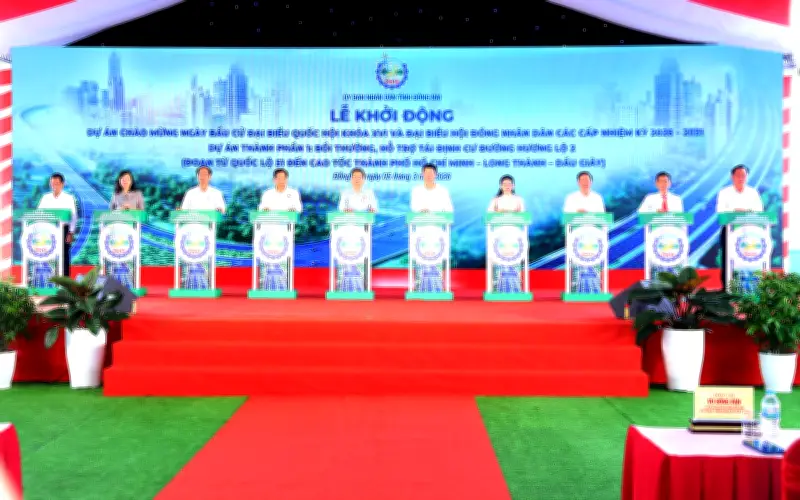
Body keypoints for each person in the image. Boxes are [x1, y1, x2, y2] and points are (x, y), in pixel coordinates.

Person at [715, 164, 764, 290]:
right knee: (728, 258)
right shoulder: (724, 192)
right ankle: (727, 287)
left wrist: (747, 211)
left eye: (744, 175)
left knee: (749, 256)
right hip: (730, 230)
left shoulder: (753, 192)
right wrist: (735, 210)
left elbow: (759, 210)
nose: (741, 178)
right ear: (732, 177)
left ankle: (750, 286)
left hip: (750, 232)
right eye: (738, 175)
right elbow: (720, 211)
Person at [179, 166, 226, 289]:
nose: (202, 177)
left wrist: (219, 209)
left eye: (205, 174)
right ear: (197, 176)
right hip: (191, 232)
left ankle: (206, 285)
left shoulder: (216, 193)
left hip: (207, 231)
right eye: (200, 174)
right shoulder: (190, 192)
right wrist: (180, 211)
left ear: (210, 177)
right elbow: (183, 211)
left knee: (205, 257)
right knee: (191, 256)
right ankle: (188, 284)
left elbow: (222, 209)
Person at [409, 163, 453, 293]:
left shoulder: (442, 190)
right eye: (426, 173)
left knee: (436, 256)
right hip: (421, 229)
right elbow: (414, 207)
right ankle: (419, 287)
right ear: (422, 174)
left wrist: (437, 214)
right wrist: (421, 210)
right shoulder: (417, 190)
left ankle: (438, 287)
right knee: (421, 255)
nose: (428, 175)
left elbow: (449, 209)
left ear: (436, 174)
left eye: (431, 173)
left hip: (437, 230)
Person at [257, 168, 301, 291]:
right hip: (268, 232)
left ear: (287, 179)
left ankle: (284, 286)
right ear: (274, 179)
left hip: (285, 231)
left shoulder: (293, 193)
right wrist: (264, 209)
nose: (281, 180)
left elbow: (298, 208)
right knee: (268, 256)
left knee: (283, 257)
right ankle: (265, 286)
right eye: (279, 178)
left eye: (283, 178)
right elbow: (261, 208)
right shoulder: (267, 194)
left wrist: (293, 210)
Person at [563, 171, 605, 294]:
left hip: (594, 236)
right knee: (578, 261)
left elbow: (602, 216)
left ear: (591, 182)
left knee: (593, 260)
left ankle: (595, 290)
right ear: (578, 182)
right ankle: (576, 290)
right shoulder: (571, 198)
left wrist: (589, 213)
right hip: (577, 236)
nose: (585, 182)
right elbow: (566, 215)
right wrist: (577, 212)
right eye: (582, 180)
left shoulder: (597, 197)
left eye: (587, 180)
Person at [487, 175, 525, 293]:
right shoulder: (495, 200)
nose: (507, 186)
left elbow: (523, 215)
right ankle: (498, 289)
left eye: (509, 184)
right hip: (499, 237)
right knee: (499, 259)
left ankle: (516, 289)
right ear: (500, 186)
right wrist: (499, 212)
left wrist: (512, 213)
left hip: (515, 236)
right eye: (505, 184)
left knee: (514, 258)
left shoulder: (518, 199)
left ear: (513, 186)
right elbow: (489, 215)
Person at [108, 170, 145, 289]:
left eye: (127, 179)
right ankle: (116, 283)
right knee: (118, 255)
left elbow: (142, 211)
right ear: (119, 181)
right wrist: (120, 210)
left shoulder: (138, 194)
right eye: (123, 179)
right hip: (117, 231)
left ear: (131, 181)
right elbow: (110, 213)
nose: (125, 181)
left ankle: (131, 283)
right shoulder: (115, 195)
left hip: (132, 230)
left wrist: (131, 209)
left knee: (130, 255)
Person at [37, 172, 77, 279]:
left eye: (56, 184)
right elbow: (38, 213)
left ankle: (65, 280)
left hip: (64, 230)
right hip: (48, 230)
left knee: (64, 254)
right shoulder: (45, 198)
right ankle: (49, 279)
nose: (54, 186)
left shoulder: (69, 198)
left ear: (62, 184)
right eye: (52, 184)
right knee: (48, 253)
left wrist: (71, 232)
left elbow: (73, 216)